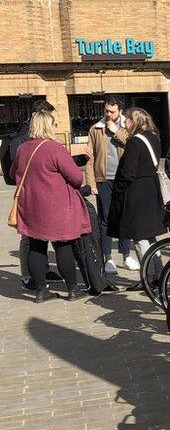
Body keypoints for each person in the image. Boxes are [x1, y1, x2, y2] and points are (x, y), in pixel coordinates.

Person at [11, 110, 90, 303]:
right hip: (56, 208)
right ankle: (72, 289)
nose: (57, 128)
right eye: (54, 125)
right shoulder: (54, 148)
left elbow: (14, 173)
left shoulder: (23, 149)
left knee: (36, 247)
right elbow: (77, 178)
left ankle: (40, 292)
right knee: (63, 247)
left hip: (31, 207)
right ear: (47, 126)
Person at [6, 100, 60, 291]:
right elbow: (15, 170)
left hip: (39, 193)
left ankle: (42, 270)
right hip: (28, 193)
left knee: (39, 235)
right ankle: (27, 276)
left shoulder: (31, 135)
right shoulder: (24, 137)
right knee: (28, 236)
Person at [83, 95, 137, 275]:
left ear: (119, 111)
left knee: (124, 216)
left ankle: (126, 255)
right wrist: (91, 182)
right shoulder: (95, 129)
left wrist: (116, 131)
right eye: (106, 110)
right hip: (103, 179)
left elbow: (133, 147)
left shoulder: (128, 126)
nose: (108, 114)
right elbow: (89, 159)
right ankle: (108, 258)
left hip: (123, 179)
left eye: (112, 111)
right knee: (105, 219)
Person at [107, 107, 166, 264]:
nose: (124, 121)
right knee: (150, 235)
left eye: (126, 118)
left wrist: (117, 190)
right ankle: (158, 273)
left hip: (137, 193)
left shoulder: (134, 142)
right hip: (151, 190)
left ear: (133, 121)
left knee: (139, 237)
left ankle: (148, 275)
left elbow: (127, 172)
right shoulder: (154, 137)